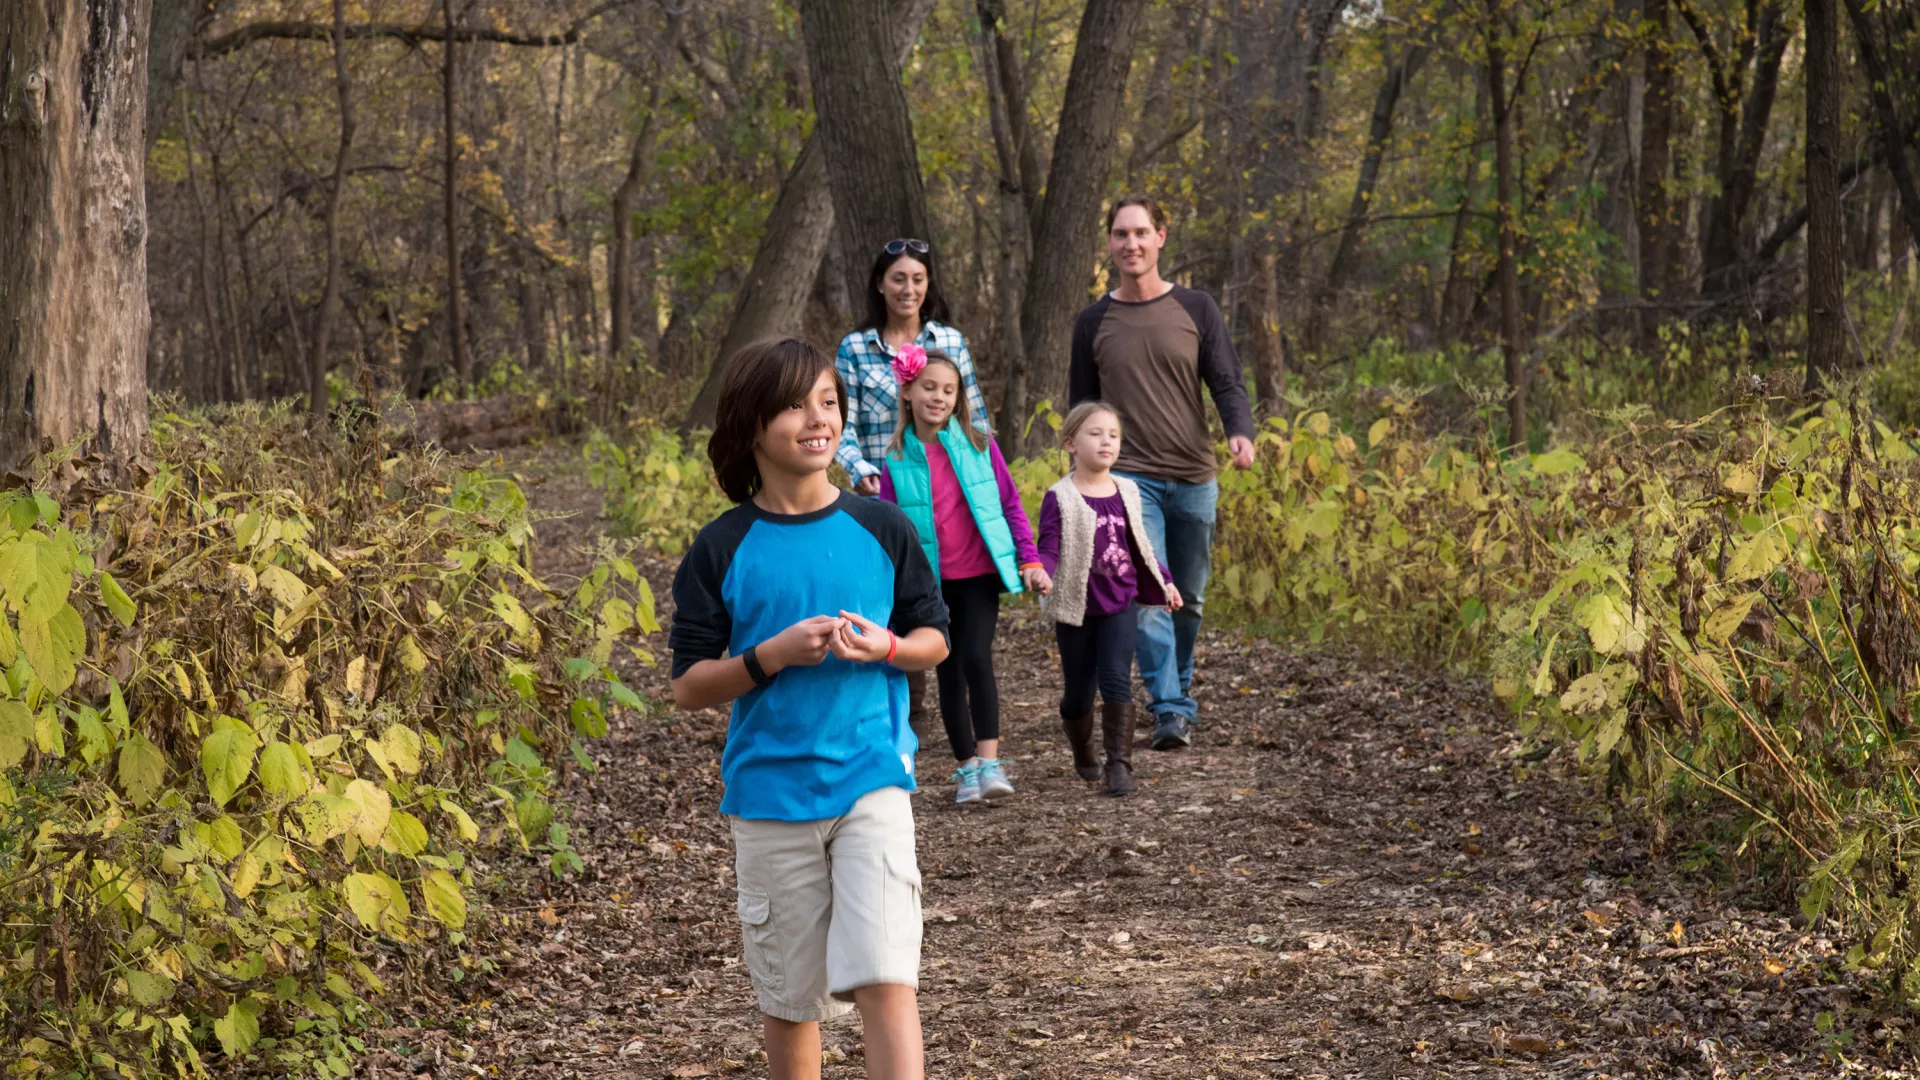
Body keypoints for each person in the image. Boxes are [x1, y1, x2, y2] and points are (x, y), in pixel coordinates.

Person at [669, 338, 949, 1080]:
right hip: (769, 797)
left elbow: (935, 640)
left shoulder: (882, 526)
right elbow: (689, 685)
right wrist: (770, 656)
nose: (816, 418)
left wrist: (889, 647)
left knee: (888, 975)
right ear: (752, 426)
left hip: (872, 779)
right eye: (794, 404)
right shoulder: (721, 548)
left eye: (828, 401)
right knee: (794, 1003)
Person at [1068, 195, 1256, 753]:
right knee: (1150, 593)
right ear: (1109, 243)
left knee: (1189, 598)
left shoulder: (1196, 308)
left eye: (1141, 233)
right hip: (1128, 478)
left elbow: (1226, 381)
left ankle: (1178, 683)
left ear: (1161, 238)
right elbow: (1082, 404)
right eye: (1121, 235)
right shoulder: (1093, 321)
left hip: (1195, 474)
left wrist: (1238, 430)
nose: (1131, 244)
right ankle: (1169, 707)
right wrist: (1082, 472)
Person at [875, 344, 1049, 804]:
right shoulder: (894, 460)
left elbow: (1009, 503)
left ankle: (990, 763)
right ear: (908, 391)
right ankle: (967, 769)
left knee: (975, 656)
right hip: (930, 583)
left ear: (958, 398)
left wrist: (1029, 559)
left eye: (948, 390)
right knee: (947, 669)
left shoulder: (979, 444)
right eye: (929, 387)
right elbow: (890, 528)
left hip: (978, 575)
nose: (938, 397)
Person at [835, 238, 989, 735]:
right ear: (880, 284)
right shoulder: (856, 348)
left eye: (917, 279)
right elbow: (842, 423)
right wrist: (860, 470)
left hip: (944, 497)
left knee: (940, 595)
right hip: (881, 495)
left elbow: (974, 417)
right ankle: (905, 709)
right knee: (889, 595)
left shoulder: (949, 341)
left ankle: (953, 715)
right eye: (898, 278)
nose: (908, 288)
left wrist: (984, 480)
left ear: (928, 287)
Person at [1034, 402, 1181, 796]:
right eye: (1095, 433)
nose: (1106, 441)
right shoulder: (1060, 497)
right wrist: (1041, 571)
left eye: (1113, 435)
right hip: (1076, 609)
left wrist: (1164, 582)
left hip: (1120, 603)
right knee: (1079, 692)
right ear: (1070, 443)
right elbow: (1049, 545)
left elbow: (1142, 546)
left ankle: (1120, 765)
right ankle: (1083, 747)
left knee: (1117, 679)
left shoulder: (1128, 491)